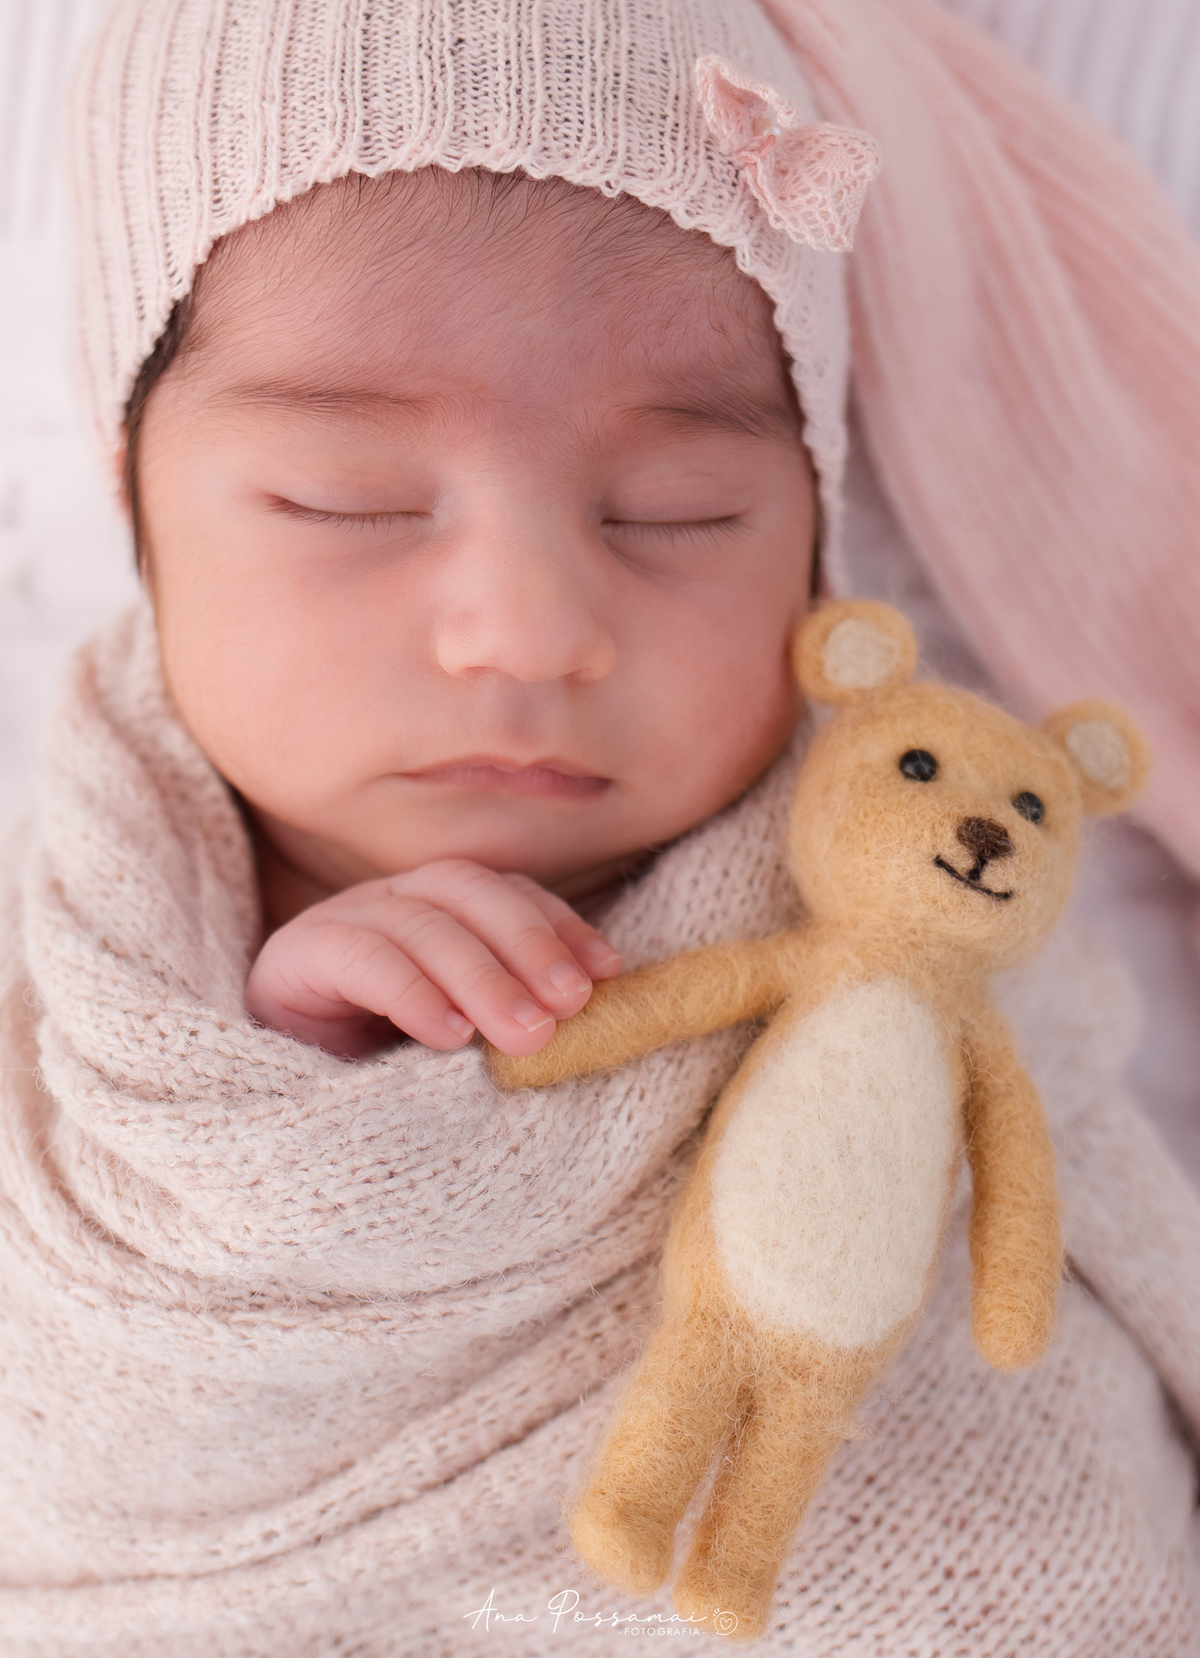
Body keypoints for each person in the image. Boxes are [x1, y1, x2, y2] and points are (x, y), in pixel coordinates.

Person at [2, 0, 1198, 1652]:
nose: (531, 627)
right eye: (350, 498)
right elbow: (69, 1412)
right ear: (136, 495)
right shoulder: (82, 949)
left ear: (815, 547)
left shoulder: (923, 856)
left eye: (673, 515)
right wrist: (286, 1066)